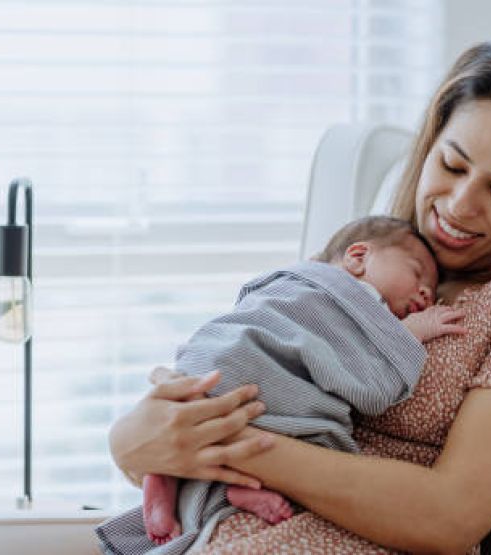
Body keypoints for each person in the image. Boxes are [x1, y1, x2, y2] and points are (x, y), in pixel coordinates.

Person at [106, 38, 491, 554]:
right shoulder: (371, 260)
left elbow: (450, 517)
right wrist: (132, 439)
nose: (458, 205)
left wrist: (234, 449)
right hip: (225, 519)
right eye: (451, 164)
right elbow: (255, 353)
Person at [97, 216, 468, 554]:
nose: (424, 294)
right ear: (358, 257)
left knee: (194, 421)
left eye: (431, 293)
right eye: (417, 274)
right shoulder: (349, 299)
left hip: (208, 362)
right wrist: (409, 334)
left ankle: (166, 481)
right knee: (321, 442)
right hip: (256, 381)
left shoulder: (284, 283)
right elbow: (369, 390)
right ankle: (241, 485)